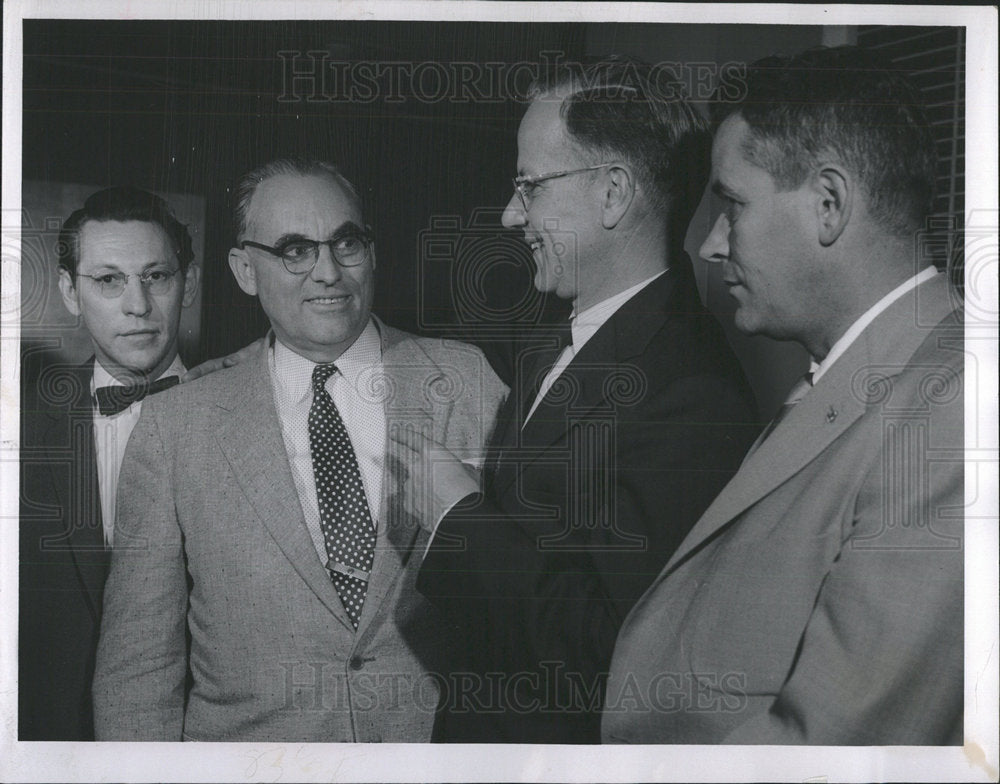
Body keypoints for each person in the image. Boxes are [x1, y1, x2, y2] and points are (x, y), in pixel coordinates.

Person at [602, 45, 964, 745]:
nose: (710, 245)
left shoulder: (951, 408)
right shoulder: (851, 384)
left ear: (828, 204)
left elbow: (830, 748)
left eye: (732, 204)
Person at [391, 57, 758, 743]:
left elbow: (615, 657)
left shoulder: (693, 393)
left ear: (613, 193)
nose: (509, 215)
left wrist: (460, 516)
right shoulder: (556, 340)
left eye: (529, 187)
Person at [91, 158, 505, 742]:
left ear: (373, 252)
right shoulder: (177, 424)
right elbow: (138, 669)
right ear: (244, 271)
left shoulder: (467, 383)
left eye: (347, 243)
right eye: (294, 250)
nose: (328, 272)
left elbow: (539, 605)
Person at [19, 185, 200, 740]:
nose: (138, 305)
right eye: (108, 280)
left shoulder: (248, 417)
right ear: (70, 292)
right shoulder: (18, 428)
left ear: (188, 283)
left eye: (157, 277)